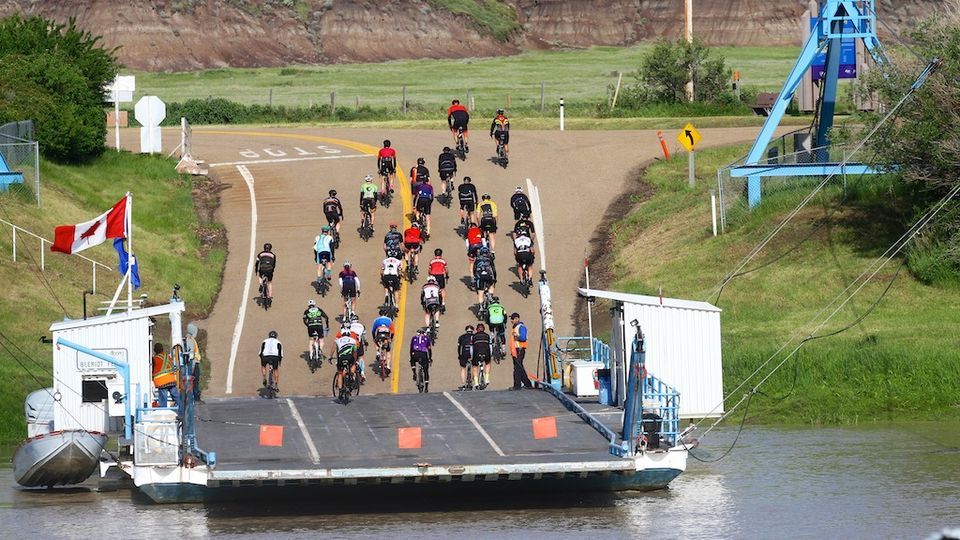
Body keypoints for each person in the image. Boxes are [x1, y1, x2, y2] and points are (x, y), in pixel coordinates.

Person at [152, 342, 180, 408]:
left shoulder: (154, 359)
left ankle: (163, 412)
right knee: (176, 396)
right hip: (171, 380)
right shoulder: (167, 356)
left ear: (155, 350)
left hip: (161, 382)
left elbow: (152, 369)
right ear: (162, 349)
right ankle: (180, 409)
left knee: (163, 400)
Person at [509, 313, 532, 389]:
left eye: (512, 319)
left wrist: (517, 336)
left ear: (517, 319)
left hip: (519, 350)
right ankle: (527, 384)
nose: (511, 321)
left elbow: (523, 337)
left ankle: (517, 385)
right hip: (515, 350)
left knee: (517, 368)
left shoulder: (521, 327)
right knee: (519, 367)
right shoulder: (515, 327)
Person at [409, 328, 432, 392]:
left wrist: (411, 357)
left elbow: (411, 348)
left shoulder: (414, 338)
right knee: (426, 370)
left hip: (415, 354)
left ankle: (414, 372)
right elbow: (429, 350)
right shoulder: (427, 338)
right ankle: (426, 387)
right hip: (423, 354)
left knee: (412, 361)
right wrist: (430, 358)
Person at [184, 323, 203, 403]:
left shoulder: (189, 339)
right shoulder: (190, 340)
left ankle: (195, 397)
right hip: (194, 364)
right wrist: (193, 366)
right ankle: (196, 398)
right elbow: (191, 354)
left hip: (194, 363)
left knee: (195, 381)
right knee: (195, 381)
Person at [472, 323, 492, 389]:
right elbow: (490, 346)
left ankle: (476, 382)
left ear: (477, 330)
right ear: (484, 329)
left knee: (475, 366)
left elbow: (472, 348)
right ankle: (486, 379)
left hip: (477, 352)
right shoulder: (487, 336)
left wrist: (471, 356)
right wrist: (490, 354)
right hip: (486, 352)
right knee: (488, 363)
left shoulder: (474, 336)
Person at [349, 313, 368, 383]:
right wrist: (366, 343)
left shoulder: (348, 326)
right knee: (361, 357)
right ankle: (362, 372)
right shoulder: (362, 326)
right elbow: (364, 337)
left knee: (351, 360)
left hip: (350, 344)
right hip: (358, 344)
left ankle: (352, 375)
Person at [457, 325, 474, 390]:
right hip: (473, 353)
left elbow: (459, 348)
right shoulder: (474, 336)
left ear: (466, 330)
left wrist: (459, 355)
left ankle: (463, 384)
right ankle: (474, 381)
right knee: (474, 366)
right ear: (472, 330)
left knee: (463, 368)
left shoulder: (461, 337)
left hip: (464, 353)